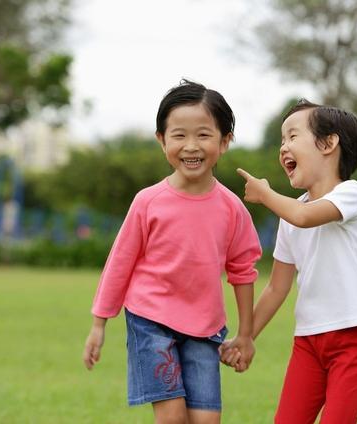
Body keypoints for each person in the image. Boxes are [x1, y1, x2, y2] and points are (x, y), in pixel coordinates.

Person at [82, 79, 262, 424]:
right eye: (179, 135)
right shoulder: (148, 202)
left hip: (205, 326)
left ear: (225, 141)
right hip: (151, 321)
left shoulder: (232, 208)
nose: (190, 146)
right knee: (172, 418)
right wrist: (99, 324)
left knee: (207, 420)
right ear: (161, 140)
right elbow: (119, 264)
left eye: (204, 135)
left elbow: (243, 272)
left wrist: (246, 334)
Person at [221, 99, 357, 423]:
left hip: (354, 336)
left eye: (293, 136)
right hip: (308, 340)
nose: (283, 148)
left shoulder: (352, 194)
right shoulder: (291, 214)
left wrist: (266, 195)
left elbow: (305, 216)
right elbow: (277, 288)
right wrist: (247, 335)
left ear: (329, 143)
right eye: (282, 140)